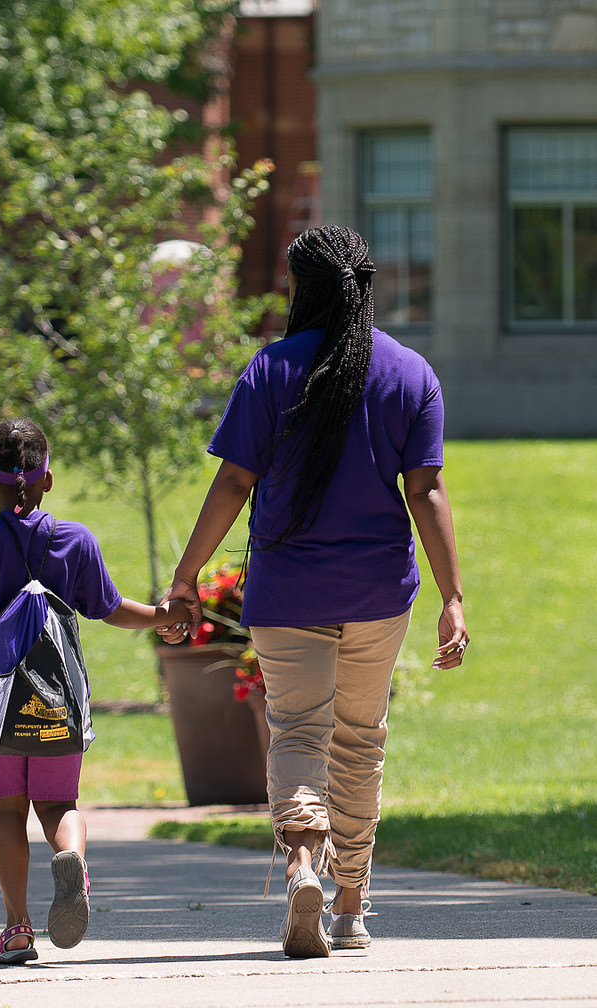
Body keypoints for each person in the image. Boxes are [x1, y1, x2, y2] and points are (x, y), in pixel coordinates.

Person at [163, 225, 469, 958]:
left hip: (288, 590)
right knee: (359, 743)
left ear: (302, 287)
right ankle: (353, 905)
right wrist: (453, 596)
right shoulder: (410, 373)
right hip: (376, 593)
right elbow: (425, 490)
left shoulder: (269, 370)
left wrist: (186, 576)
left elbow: (235, 480)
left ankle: (303, 862)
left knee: (297, 731)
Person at [0, 417, 185, 965]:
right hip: (58, 699)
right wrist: (162, 615)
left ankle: (17, 929)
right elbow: (110, 609)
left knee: (8, 812)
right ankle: (70, 855)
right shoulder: (74, 539)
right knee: (58, 804)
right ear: (48, 480)